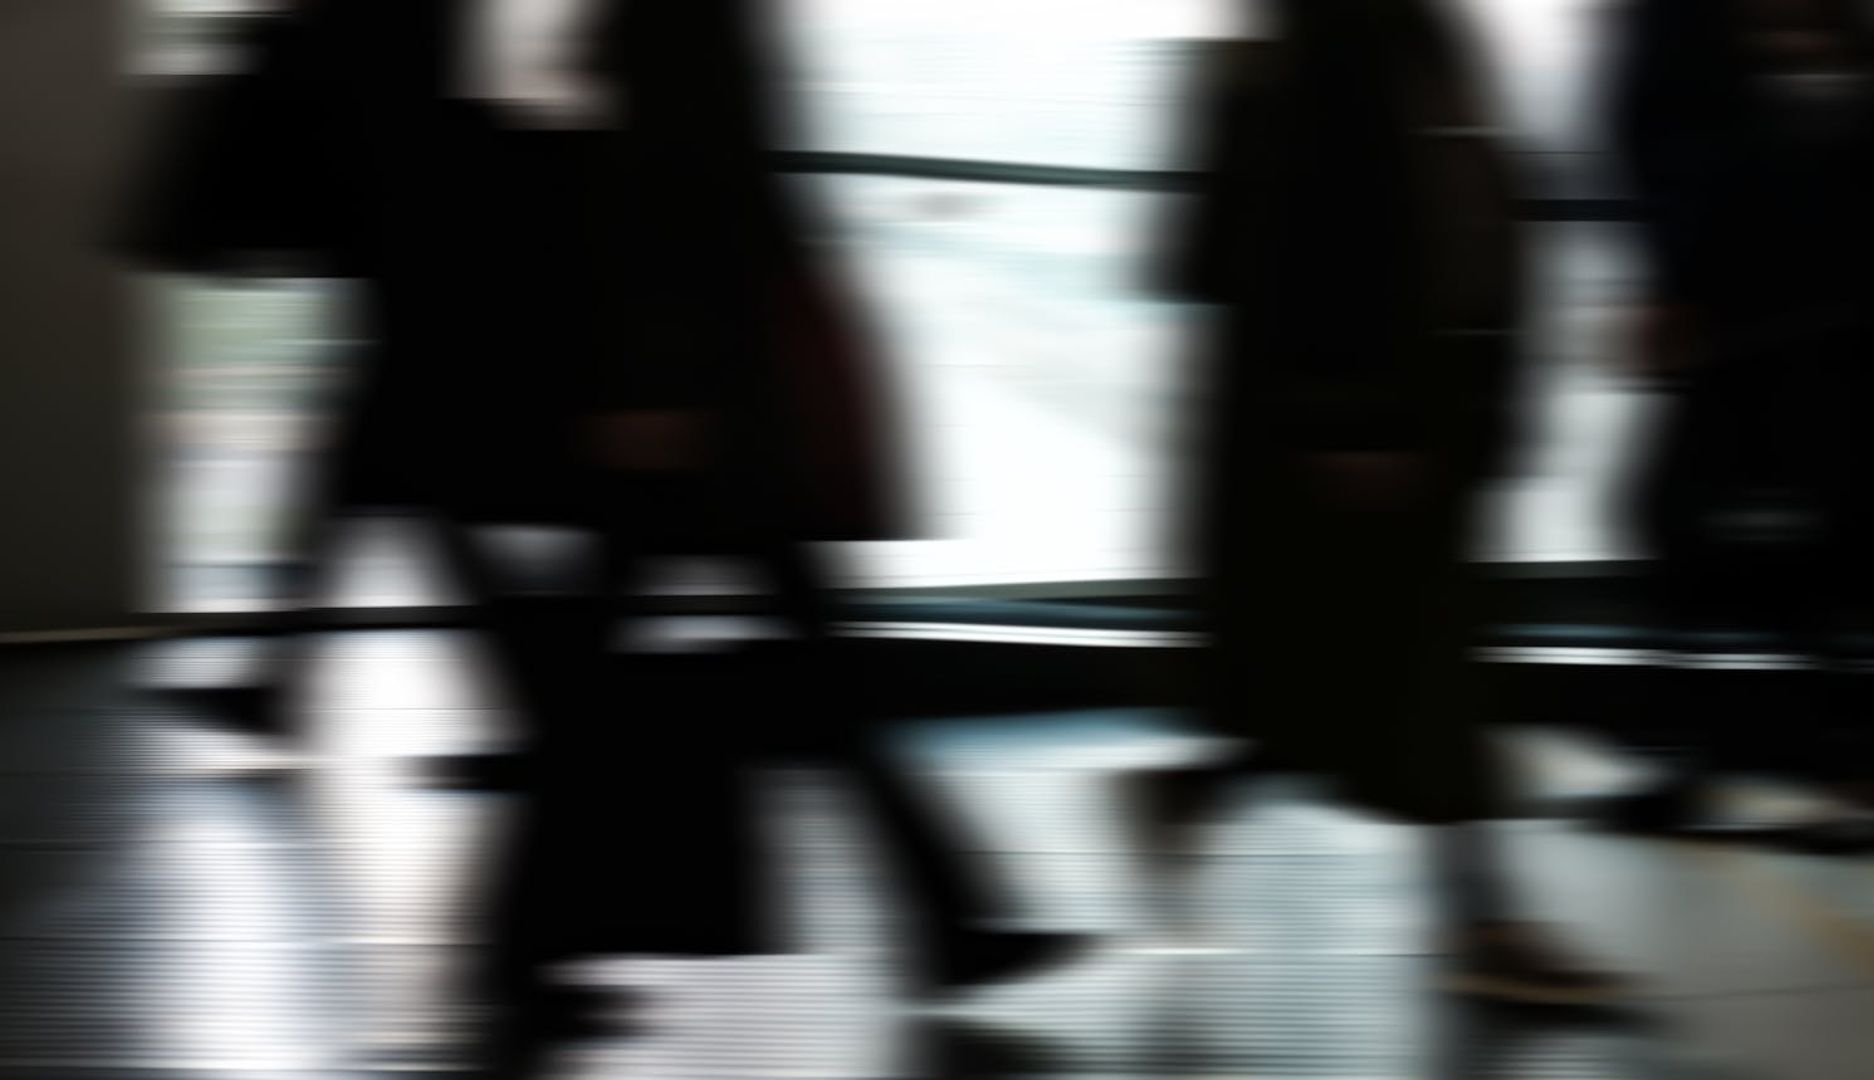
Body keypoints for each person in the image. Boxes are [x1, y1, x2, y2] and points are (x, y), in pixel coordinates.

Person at [120, 1, 1071, 1071]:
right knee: (685, 684)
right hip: (662, 396)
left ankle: (930, 923)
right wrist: (652, 383)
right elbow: (642, 176)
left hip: (634, 387)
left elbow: (581, 167)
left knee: (652, 685)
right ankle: (927, 924)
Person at [1144, 0, 1629, 1006]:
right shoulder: (1349, 36)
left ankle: (1195, 792)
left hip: (1414, 408)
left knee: (1354, 681)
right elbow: (1323, 228)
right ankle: (1482, 926)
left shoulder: (1396, 31)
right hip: (1384, 413)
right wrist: (1353, 414)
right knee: (1422, 686)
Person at [1603, 0, 1874, 850]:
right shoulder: (1811, 33)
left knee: (1717, 531)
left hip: (1790, 321)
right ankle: (1715, 757)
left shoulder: (1774, 32)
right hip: (1785, 317)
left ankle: (1837, 769)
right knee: (1710, 534)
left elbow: (1723, 149)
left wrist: (1676, 285)